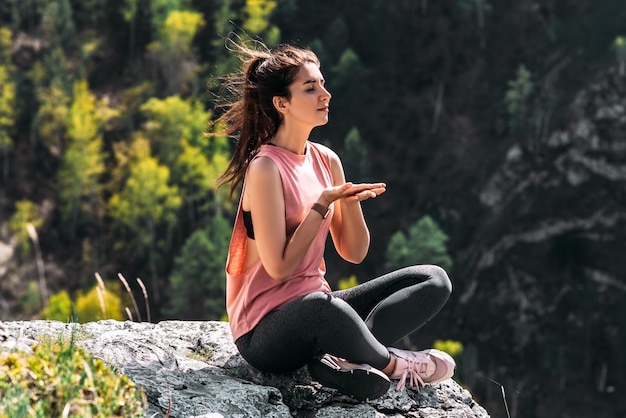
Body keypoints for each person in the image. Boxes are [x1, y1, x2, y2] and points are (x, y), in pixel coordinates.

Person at [212, 40, 455, 401]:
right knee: (324, 310)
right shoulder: (265, 167)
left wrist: (349, 203)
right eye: (310, 88)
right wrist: (320, 206)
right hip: (265, 333)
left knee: (433, 280)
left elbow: (354, 252)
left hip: (318, 307)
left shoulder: (327, 160)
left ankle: (346, 361)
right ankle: (394, 364)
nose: (325, 93)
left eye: (323, 83)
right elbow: (279, 268)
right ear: (282, 103)